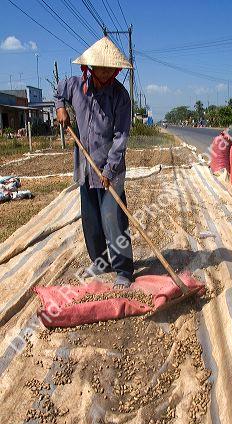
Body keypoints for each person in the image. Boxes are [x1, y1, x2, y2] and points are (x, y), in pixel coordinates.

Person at [55, 36, 134, 289]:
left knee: (112, 219)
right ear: (90, 67)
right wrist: (61, 108)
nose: (106, 72)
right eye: (101, 67)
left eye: (111, 68)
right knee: (91, 220)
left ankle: (123, 269)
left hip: (111, 169)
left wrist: (109, 170)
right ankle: (101, 263)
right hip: (85, 166)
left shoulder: (120, 97)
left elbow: (120, 137)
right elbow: (59, 91)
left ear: (116, 70)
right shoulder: (76, 86)